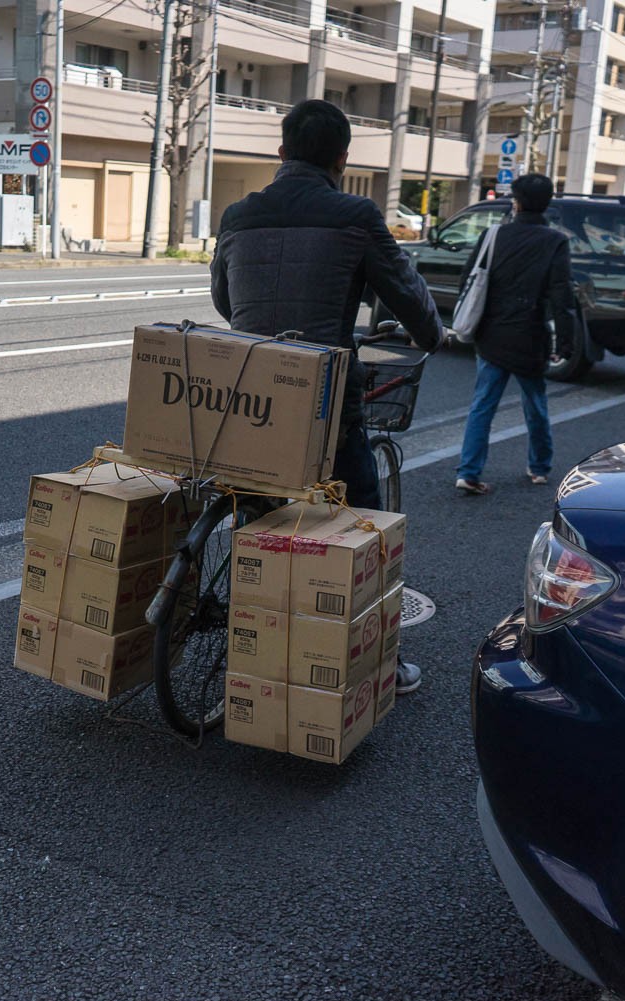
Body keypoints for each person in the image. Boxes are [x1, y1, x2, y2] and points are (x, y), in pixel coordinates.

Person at [210, 98, 444, 693]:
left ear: (281, 151)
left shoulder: (238, 215)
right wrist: (432, 335)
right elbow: (408, 294)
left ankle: (253, 637)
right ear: (343, 158)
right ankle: (377, 666)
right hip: (327, 401)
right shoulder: (356, 215)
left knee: (258, 511)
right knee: (362, 524)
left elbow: (224, 301)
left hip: (249, 399)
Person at [455, 173, 576, 496]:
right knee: (535, 403)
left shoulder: (494, 235)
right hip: (530, 335)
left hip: (492, 334)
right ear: (547, 204)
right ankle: (539, 468)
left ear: (517, 202)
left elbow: (467, 279)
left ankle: (469, 471)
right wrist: (565, 342)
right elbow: (562, 296)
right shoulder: (555, 241)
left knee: (483, 404)